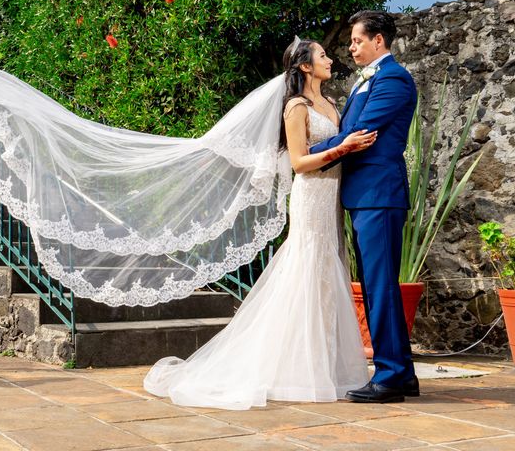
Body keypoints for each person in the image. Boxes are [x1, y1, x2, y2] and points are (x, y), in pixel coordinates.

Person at [143, 38, 377, 410]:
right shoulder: (295, 107)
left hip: (332, 197)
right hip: (311, 194)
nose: (330, 59)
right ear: (304, 66)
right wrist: (344, 148)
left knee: (327, 278)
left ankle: (325, 366)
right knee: (307, 270)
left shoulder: (331, 104)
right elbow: (299, 162)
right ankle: (295, 369)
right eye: (322, 55)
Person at [309, 10, 419, 403]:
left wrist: (305, 154)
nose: (351, 47)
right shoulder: (367, 80)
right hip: (363, 195)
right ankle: (402, 372)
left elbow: (359, 134)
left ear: (378, 41)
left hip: (379, 195)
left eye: (357, 40)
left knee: (380, 285)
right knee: (376, 287)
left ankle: (389, 376)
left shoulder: (392, 78)